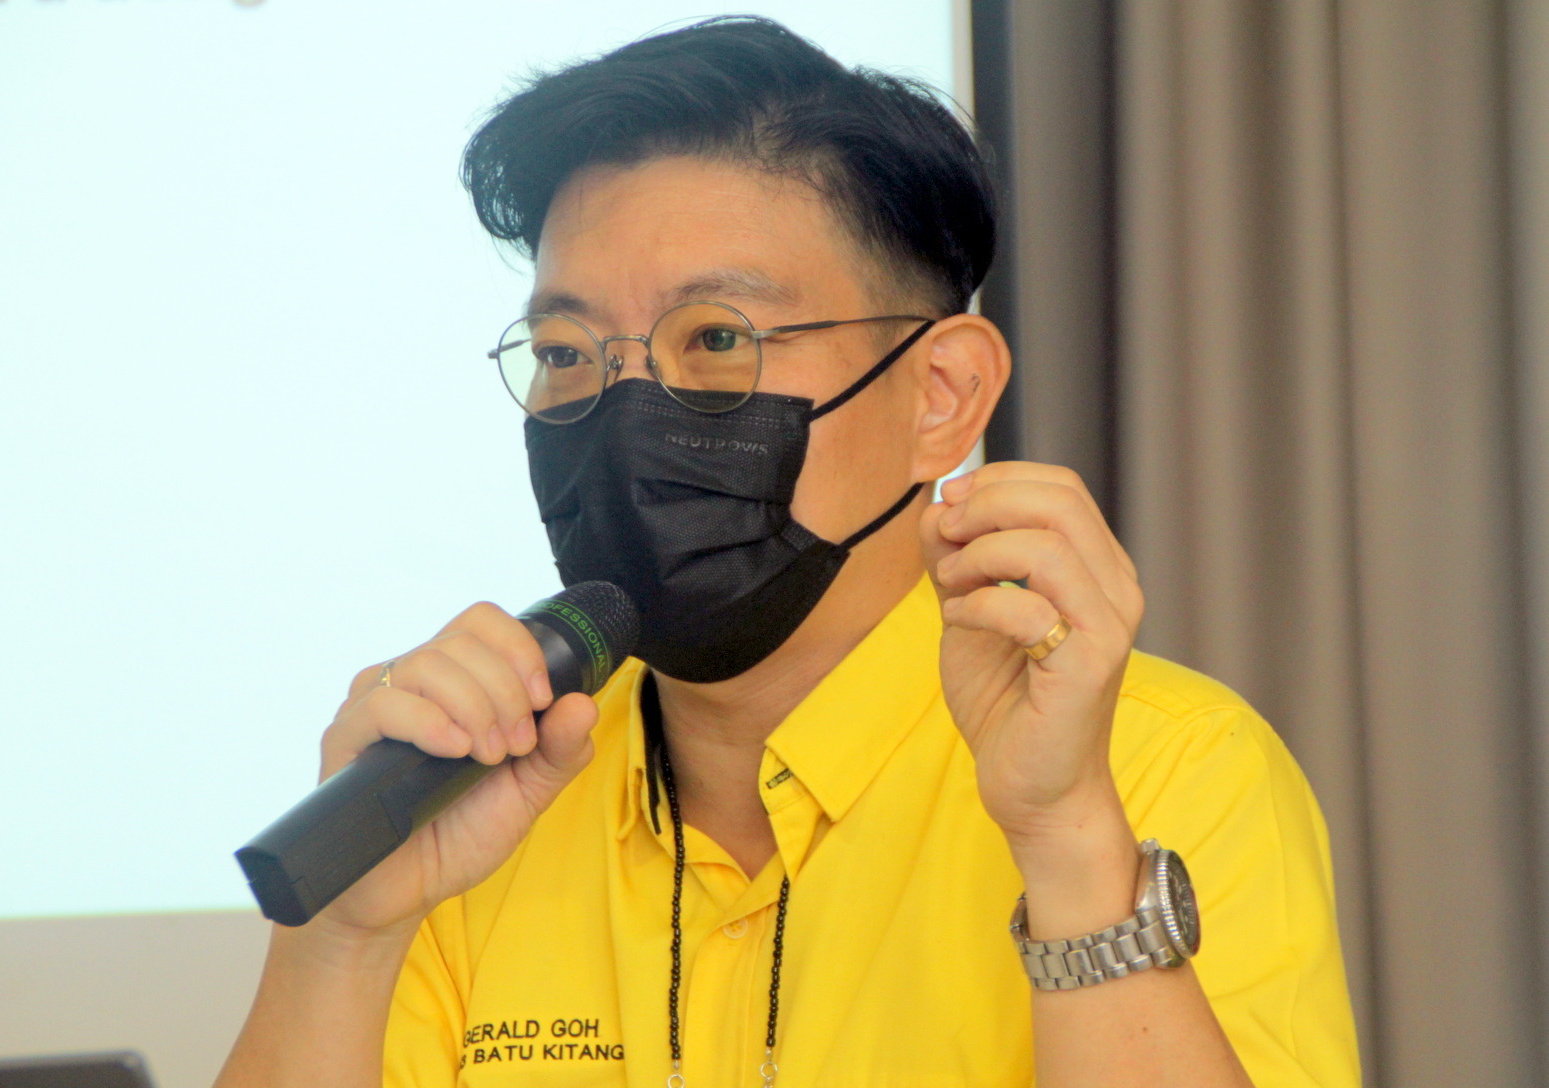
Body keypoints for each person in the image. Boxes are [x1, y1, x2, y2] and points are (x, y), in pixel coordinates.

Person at [216, 17, 1358, 1088]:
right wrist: (343, 939)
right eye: (565, 353)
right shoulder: (470, 791)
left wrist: (1068, 843)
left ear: (941, 394)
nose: (624, 413)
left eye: (716, 338)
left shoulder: (1160, 769)